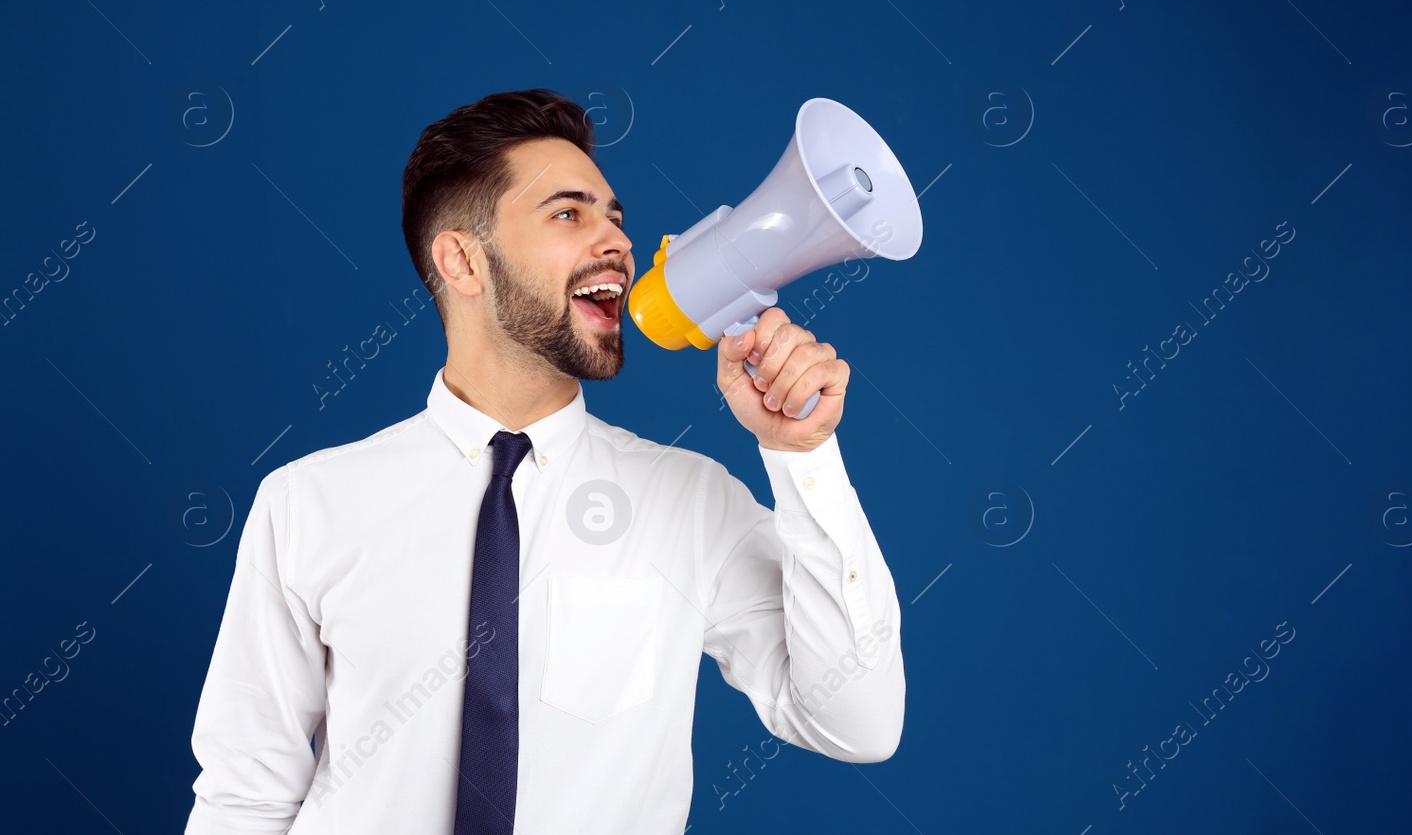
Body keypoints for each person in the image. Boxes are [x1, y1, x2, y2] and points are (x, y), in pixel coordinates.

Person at [183, 88, 904, 833]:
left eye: (616, 217)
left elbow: (857, 723)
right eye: (569, 214)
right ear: (461, 259)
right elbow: (246, 795)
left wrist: (803, 457)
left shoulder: (691, 501)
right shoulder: (309, 503)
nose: (618, 242)